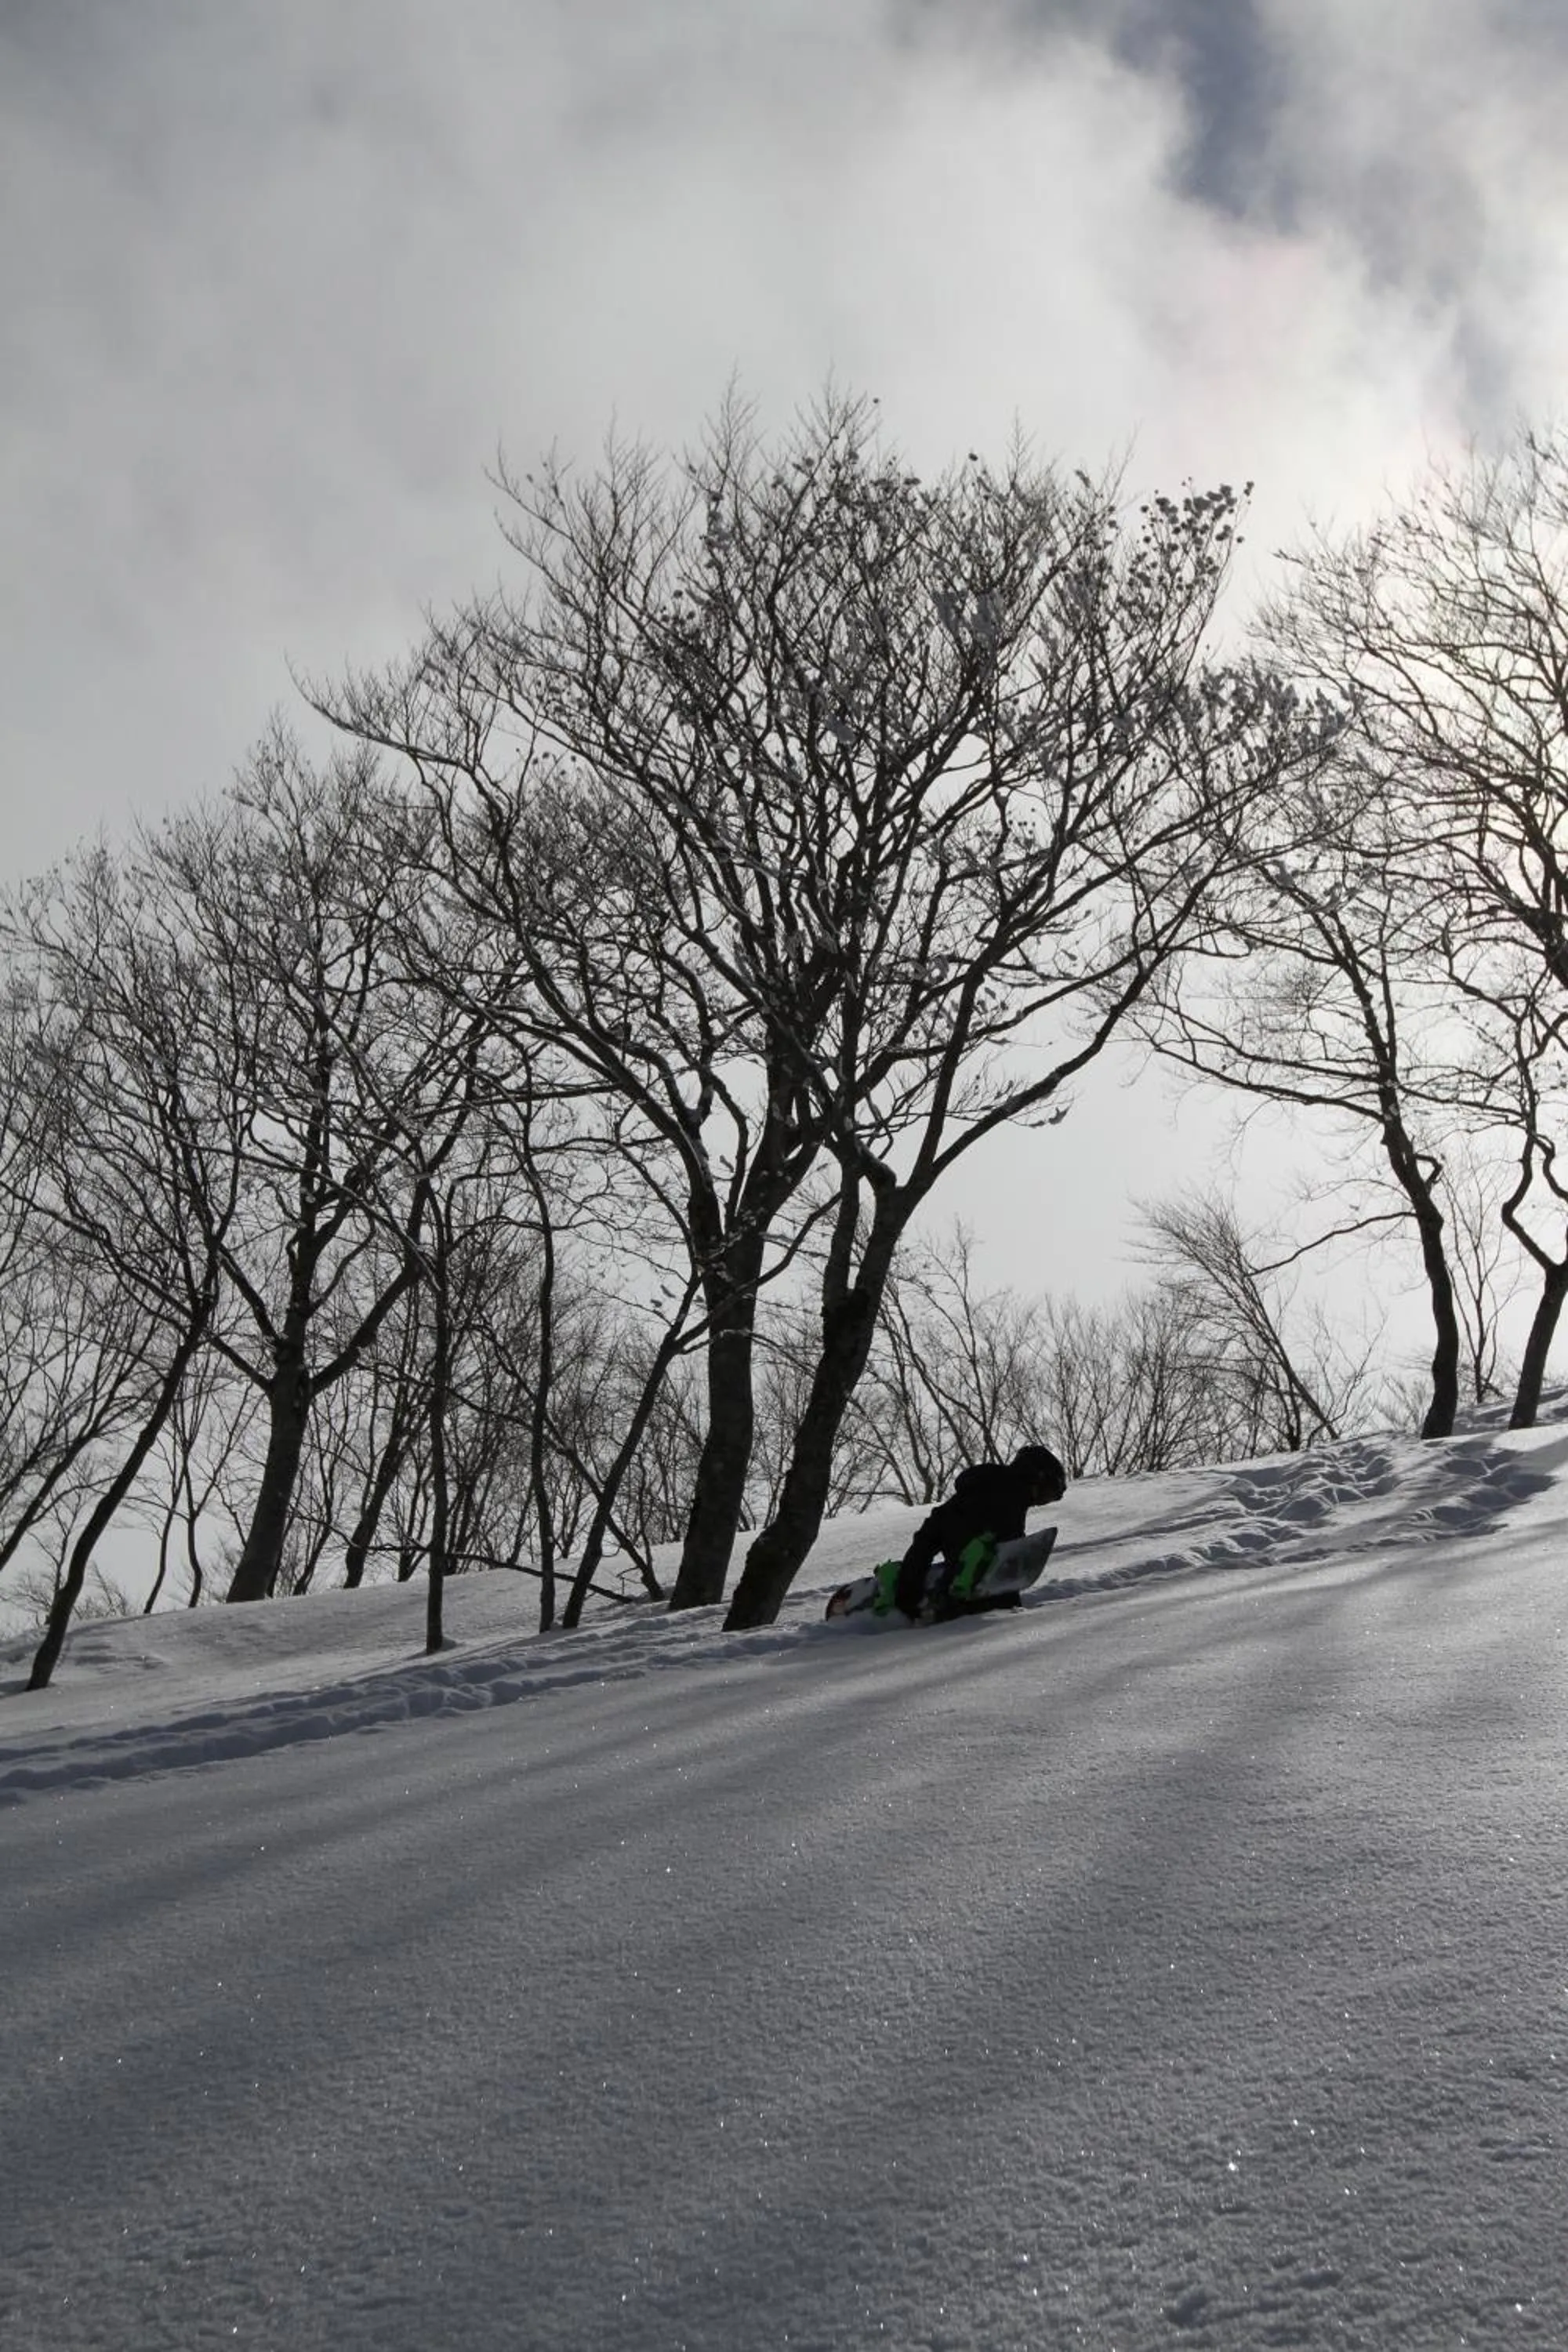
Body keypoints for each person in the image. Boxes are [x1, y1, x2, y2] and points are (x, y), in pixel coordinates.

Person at [882, 1442, 1068, 1621]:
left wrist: (908, 1588)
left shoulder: (964, 1497)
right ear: (1036, 1479)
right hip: (975, 1607)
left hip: (951, 1588)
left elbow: (928, 1538)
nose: (1042, 1502)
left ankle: (898, 1585)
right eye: (1048, 1494)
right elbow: (1004, 1569)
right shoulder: (1012, 1499)